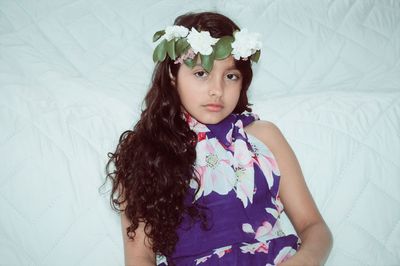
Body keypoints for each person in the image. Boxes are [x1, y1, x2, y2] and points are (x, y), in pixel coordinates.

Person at [104, 11, 333, 266]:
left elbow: (315, 227)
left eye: (230, 76)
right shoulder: (145, 152)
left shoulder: (265, 137)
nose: (217, 90)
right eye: (202, 73)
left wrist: (305, 260)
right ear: (172, 75)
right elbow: (139, 258)